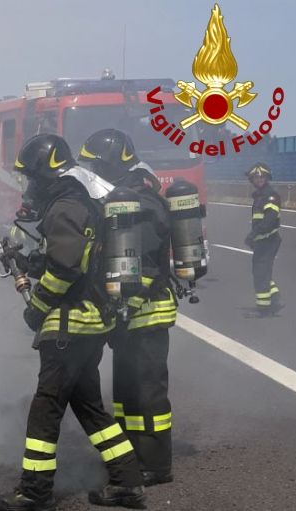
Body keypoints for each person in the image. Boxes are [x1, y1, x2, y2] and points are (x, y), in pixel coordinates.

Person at [0, 134, 145, 511]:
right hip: (88, 325)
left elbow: (65, 267)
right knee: (90, 408)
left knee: (45, 409)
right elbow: (65, 258)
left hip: (70, 326)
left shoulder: (64, 207)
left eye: (32, 177)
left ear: (47, 176)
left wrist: (36, 307)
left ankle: (34, 492)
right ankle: (128, 480)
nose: (29, 185)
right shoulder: (79, 203)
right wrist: (32, 264)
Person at [78, 129, 176, 487]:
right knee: (126, 392)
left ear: (113, 162)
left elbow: (148, 262)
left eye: (97, 165)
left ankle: (155, 465)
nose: (94, 172)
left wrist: (129, 301)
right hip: (127, 314)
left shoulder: (142, 200)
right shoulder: (124, 197)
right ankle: (132, 455)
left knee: (147, 392)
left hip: (146, 314)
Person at [244, 163, 283, 316]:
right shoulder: (260, 195)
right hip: (262, 241)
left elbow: (270, 219)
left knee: (261, 273)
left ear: (267, 177)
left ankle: (264, 309)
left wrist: (253, 235)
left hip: (268, 241)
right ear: (252, 179)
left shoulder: (270, 195)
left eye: (262, 177)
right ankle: (276, 299)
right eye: (256, 177)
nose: (259, 179)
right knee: (261, 272)